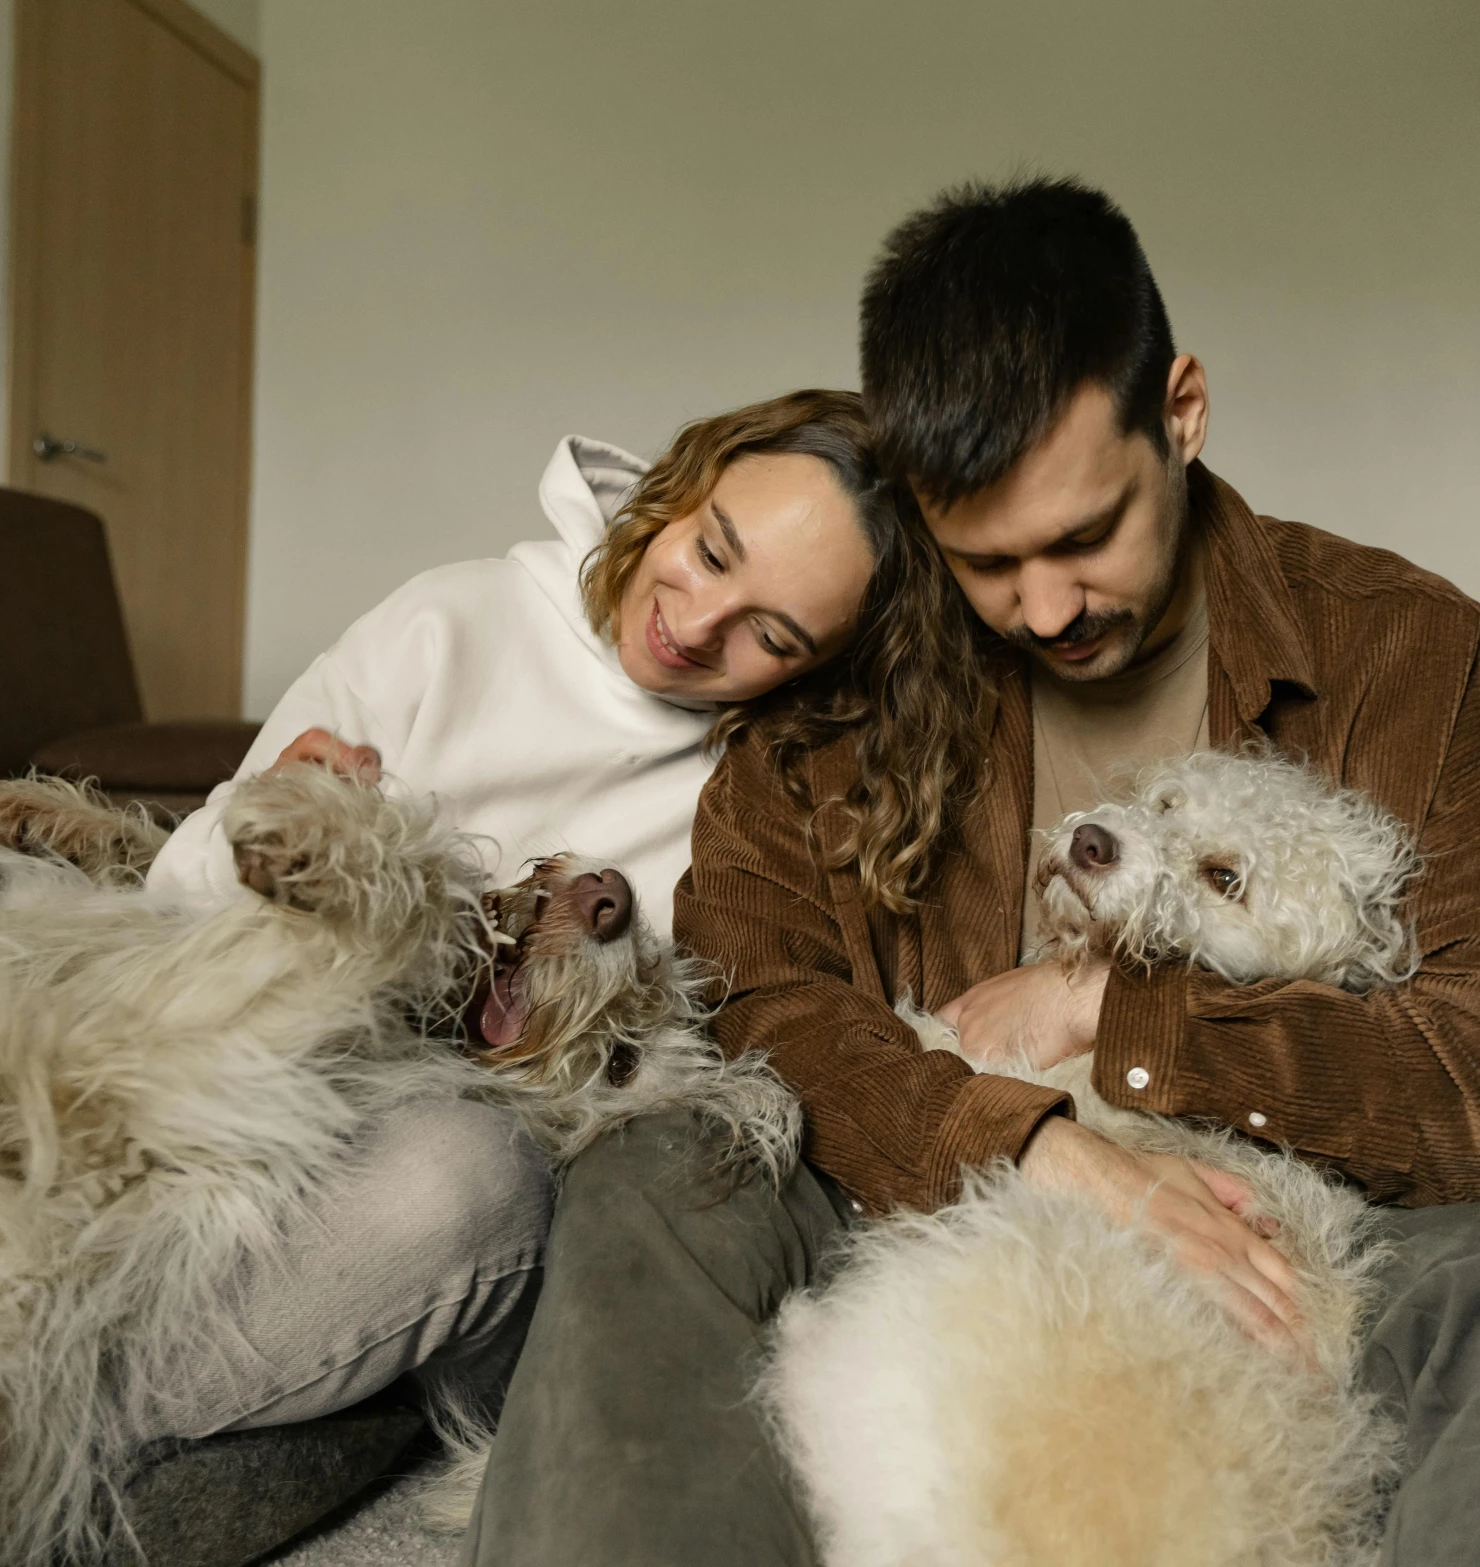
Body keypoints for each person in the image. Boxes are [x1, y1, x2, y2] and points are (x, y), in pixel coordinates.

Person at [464, 180, 1480, 1566]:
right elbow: (762, 1002)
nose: (1042, 608)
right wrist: (1040, 1144)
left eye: (1084, 536)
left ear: (1183, 415)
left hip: (1290, 1234)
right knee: (657, 1174)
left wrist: (1116, 1015)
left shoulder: (1409, 651)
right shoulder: (841, 668)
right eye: (983, 560)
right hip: (906, 1196)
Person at [133, 390, 983, 1450]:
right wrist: (266, 842)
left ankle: (52, 1434)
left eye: (770, 632)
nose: (696, 623)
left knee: (473, 1180)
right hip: (239, 1094)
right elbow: (169, 915)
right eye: (712, 553)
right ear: (678, 495)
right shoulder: (443, 625)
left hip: (441, 1181)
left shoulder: (765, 802)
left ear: (822, 668)